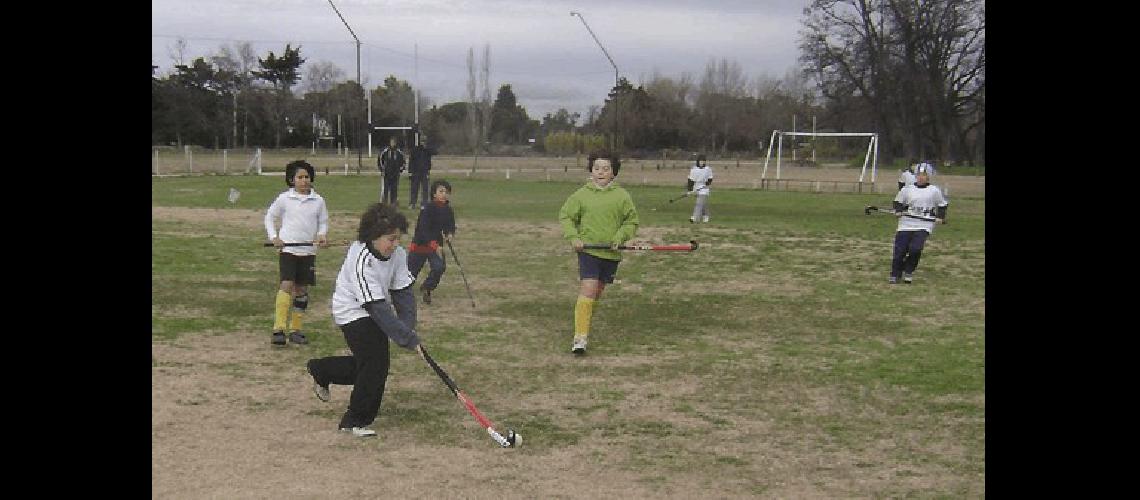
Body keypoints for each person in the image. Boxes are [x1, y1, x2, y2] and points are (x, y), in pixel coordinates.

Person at [306, 202, 426, 437]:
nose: (395, 244)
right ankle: (354, 421)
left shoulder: (398, 254)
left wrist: (407, 328)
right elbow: (376, 308)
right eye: (390, 239)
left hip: (375, 305)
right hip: (352, 310)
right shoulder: (361, 259)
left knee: (369, 364)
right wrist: (406, 339)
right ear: (373, 236)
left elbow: (403, 292)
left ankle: (323, 369)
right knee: (375, 364)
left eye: (398, 238)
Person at [557, 149, 640, 355]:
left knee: (596, 294)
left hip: (611, 254)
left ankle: (583, 320)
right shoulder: (581, 195)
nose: (600, 172)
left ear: (613, 172)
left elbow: (631, 221)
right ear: (591, 170)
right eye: (596, 168)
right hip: (588, 252)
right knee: (588, 289)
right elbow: (566, 217)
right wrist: (574, 238)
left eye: (605, 169)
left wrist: (620, 237)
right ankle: (580, 338)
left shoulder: (622, 196)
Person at [264, 160, 330, 346]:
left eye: (306, 177)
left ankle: (296, 329)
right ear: (291, 180)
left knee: (301, 289)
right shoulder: (284, 199)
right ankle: (279, 329)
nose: (303, 181)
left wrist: (322, 235)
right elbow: (270, 217)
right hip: (288, 250)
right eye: (299, 177)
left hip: (308, 251)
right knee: (287, 284)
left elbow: (323, 222)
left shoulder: (318, 201)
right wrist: (274, 237)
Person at [888, 163, 948, 284]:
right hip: (906, 224)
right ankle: (895, 274)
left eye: (924, 175)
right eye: (919, 175)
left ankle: (909, 270)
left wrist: (940, 217)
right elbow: (898, 202)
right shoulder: (907, 189)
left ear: (928, 177)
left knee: (915, 249)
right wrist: (898, 211)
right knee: (900, 250)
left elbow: (942, 205)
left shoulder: (934, 191)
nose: (921, 177)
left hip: (923, 225)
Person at [408, 179, 456, 305]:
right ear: (434, 194)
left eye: (446, 192)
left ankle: (427, 288)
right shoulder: (427, 209)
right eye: (441, 191)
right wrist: (434, 245)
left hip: (436, 245)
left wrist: (449, 234)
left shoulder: (448, 210)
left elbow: (450, 225)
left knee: (439, 267)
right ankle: (399, 292)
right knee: (410, 273)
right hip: (421, 244)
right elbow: (423, 230)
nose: (444, 194)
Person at [686, 154, 714, 223]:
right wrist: (690, 190)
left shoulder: (708, 169)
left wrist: (707, 184)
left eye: (703, 161)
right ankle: (706, 216)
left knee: (699, 203)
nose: (702, 163)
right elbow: (690, 181)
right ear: (698, 162)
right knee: (702, 203)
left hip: (704, 188)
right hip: (696, 187)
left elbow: (710, 179)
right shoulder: (694, 170)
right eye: (701, 161)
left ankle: (694, 217)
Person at [378, 136, 406, 206]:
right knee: (385, 190)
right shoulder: (385, 151)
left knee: (394, 190)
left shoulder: (399, 152)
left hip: (395, 175)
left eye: (394, 142)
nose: (392, 144)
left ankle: (393, 204)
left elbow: (403, 162)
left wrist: (400, 170)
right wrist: (382, 170)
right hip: (386, 174)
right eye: (391, 142)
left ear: (395, 143)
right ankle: (384, 204)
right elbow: (380, 160)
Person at [407, 137, 434, 210]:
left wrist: (428, 171)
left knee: (425, 189)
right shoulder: (415, 150)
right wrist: (410, 172)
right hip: (416, 172)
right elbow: (411, 161)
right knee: (414, 189)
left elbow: (429, 162)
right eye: (422, 141)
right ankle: (412, 203)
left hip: (424, 172)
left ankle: (424, 204)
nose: (423, 143)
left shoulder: (427, 151)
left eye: (424, 142)